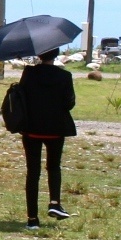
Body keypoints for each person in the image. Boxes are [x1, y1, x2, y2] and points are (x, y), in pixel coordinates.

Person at [18, 48, 77, 230]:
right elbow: (69, 103)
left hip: (32, 129)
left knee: (33, 172)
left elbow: (22, 96)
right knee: (53, 166)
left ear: (39, 55)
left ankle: (32, 219)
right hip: (56, 129)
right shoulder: (64, 76)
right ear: (56, 54)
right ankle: (54, 202)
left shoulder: (29, 73)